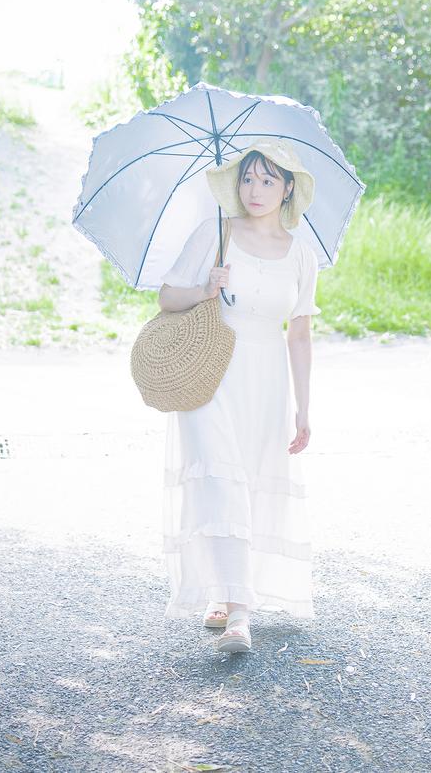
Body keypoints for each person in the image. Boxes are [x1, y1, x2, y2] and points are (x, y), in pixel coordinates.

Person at [155, 140, 318, 654]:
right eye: (248, 179)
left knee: (250, 482)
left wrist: (304, 408)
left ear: (287, 188)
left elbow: (300, 332)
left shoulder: (301, 253)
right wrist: (205, 289)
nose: (255, 190)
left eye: (268, 180)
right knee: (219, 479)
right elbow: (166, 297)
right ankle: (238, 615)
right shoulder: (215, 234)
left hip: (267, 378)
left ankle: (226, 595)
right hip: (210, 373)